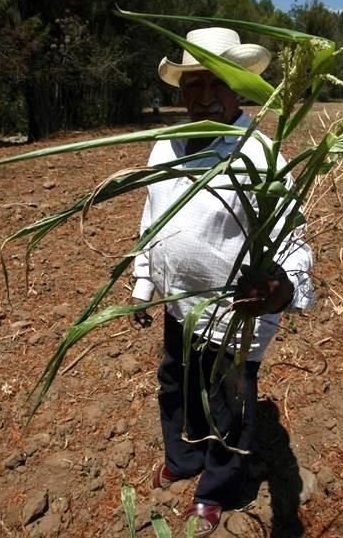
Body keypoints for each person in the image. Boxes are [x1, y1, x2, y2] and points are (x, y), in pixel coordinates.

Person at [129, 27, 315, 537]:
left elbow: (290, 240)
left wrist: (282, 289)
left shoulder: (259, 155)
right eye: (192, 83)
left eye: (217, 83)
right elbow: (153, 217)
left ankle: (215, 489)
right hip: (179, 308)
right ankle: (183, 457)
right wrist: (144, 284)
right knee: (177, 383)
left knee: (228, 402)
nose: (204, 95)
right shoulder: (166, 144)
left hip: (234, 319)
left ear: (239, 89)